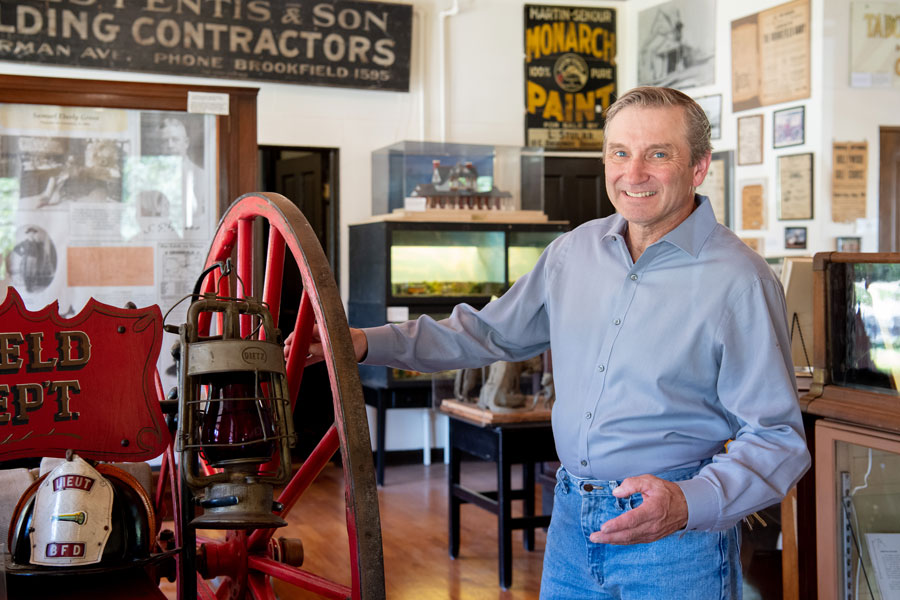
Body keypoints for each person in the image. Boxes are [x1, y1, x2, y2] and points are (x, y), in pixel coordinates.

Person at [287, 86, 811, 598]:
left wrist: (686, 501)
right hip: (569, 526)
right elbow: (485, 333)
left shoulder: (741, 280)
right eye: (619, 153)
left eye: (658, 154)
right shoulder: (573, 252)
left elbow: (777, 439)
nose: (634, 173)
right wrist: (363, 343)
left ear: (699, 167)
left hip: (675, 543)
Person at [159, 117, 206, 230]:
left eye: (175, 140)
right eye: (165, 141)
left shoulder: (202, 176)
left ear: (186, 143)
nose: (170, 145)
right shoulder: (152, 176)